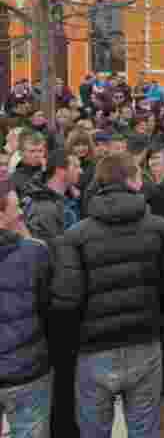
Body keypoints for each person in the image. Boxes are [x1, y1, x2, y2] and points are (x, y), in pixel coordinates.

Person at [50, 152, 164, 438]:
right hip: (144, 342)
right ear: (133, 181)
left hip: (94, 350)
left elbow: (66, 301)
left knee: (94, 431)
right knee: (144, 430)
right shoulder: (160, 228)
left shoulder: (75, 236)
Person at [0, 173, 53, 438]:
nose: (21, 212)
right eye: (15, 208)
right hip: (27, 371)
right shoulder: (34, 252)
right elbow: (49, 307)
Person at [22, 148, 80, 245]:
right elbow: (52, 249)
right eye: (76, 166)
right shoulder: (44, 207)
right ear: (60, 171)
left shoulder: (67, 199)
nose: (80, 171)